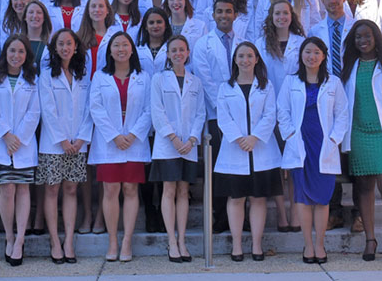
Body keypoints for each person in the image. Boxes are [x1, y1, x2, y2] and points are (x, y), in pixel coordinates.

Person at [276, 37, 350, 264]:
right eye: (307, 52)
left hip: (323, 146)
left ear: (324, 56)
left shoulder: (333, 82)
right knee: (303, 198)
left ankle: (320, 245)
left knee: (323, 198)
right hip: (300, 144)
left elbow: (342, 114)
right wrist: (289, 134)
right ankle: (308, 246)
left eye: (316, 52)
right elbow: (282, 111)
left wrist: (334, 138)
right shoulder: (290, 82)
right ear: (301, 55)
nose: (312, 56)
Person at [341, 20, 382, 263]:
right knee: (364, 188)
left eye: (367, 36)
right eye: (358, 37)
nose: (362, 40)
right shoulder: (350, 67)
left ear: (376, 38)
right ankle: (370, 239)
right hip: (358, 133)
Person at [87, 32, 152, 262]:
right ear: (110, 50)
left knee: (131, 190)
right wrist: (115, 136)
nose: (121, 49)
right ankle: (113, 240)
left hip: (134, 141)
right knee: (111, 189)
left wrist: (133, 134)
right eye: (116, 45)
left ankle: (127, 241)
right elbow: (95, 108)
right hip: (109, 143)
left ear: (132, 49)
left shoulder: (143, 77)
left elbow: (149, 109)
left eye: (125, 45)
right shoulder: (99, 76)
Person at [215, 42, 281, 262]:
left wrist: (255, 137)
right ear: (235, 60)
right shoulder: (225, 87)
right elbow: (223, 117)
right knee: (236, 198)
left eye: (249, 56)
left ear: (256, 59)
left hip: (261, 149)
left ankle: (256, 245)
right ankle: (236, 245)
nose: (245, 60)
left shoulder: (267, 86)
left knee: (258, 198)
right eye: (241, 56)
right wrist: (239, 138)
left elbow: (270, 114)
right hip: (235, 150)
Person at [0, 36, 42, 266]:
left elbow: (34, 112)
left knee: (23, 190)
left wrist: (19, 138)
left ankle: (21, 240)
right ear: (5, 53)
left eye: (21, 52)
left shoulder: (33, 79)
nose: (16, 55)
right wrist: (6, 135)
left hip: (23, 145)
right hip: (0, 143)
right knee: (6, 190)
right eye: (12, 51)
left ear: (27, 56)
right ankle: (9, 236)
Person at [148, 35, 205, 263]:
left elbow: (200, 113)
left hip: (188, 145)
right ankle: (171, 241)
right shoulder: (159, 79)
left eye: (182, 50)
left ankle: (183, 240)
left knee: (183, 192)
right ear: (168, 54)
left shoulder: (196, 82)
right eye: (174, 50)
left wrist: (191, 140)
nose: (178, 54)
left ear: (188, 53)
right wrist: (173, 138)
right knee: (168, 190)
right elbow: (157, 111)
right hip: (167, 144)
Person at [37, 29, 92, 264]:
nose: (65, 48)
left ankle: (68, 240)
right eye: (61, 44)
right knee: (52, 190)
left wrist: (80, 139)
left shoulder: (83, 75)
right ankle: (54, 240)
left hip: (77, 142)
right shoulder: (47, 75)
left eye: (69, 43)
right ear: (55, 48)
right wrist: (61, 140)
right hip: (53, 144)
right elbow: (47, 111)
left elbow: (90, 109)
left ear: (76, 47)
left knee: (71, 190)